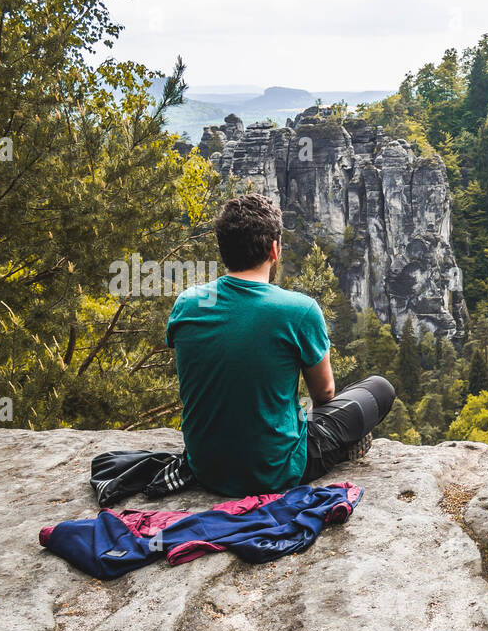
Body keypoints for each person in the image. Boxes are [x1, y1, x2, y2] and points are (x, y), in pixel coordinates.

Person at [166, 193, 395, 497]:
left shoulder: (188, 303)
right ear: (274, 249)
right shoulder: (299, 310)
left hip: (205, 469)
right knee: (379, 389)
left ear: (223, 250)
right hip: (274, 472)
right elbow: (324, 394)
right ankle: (336, 450)